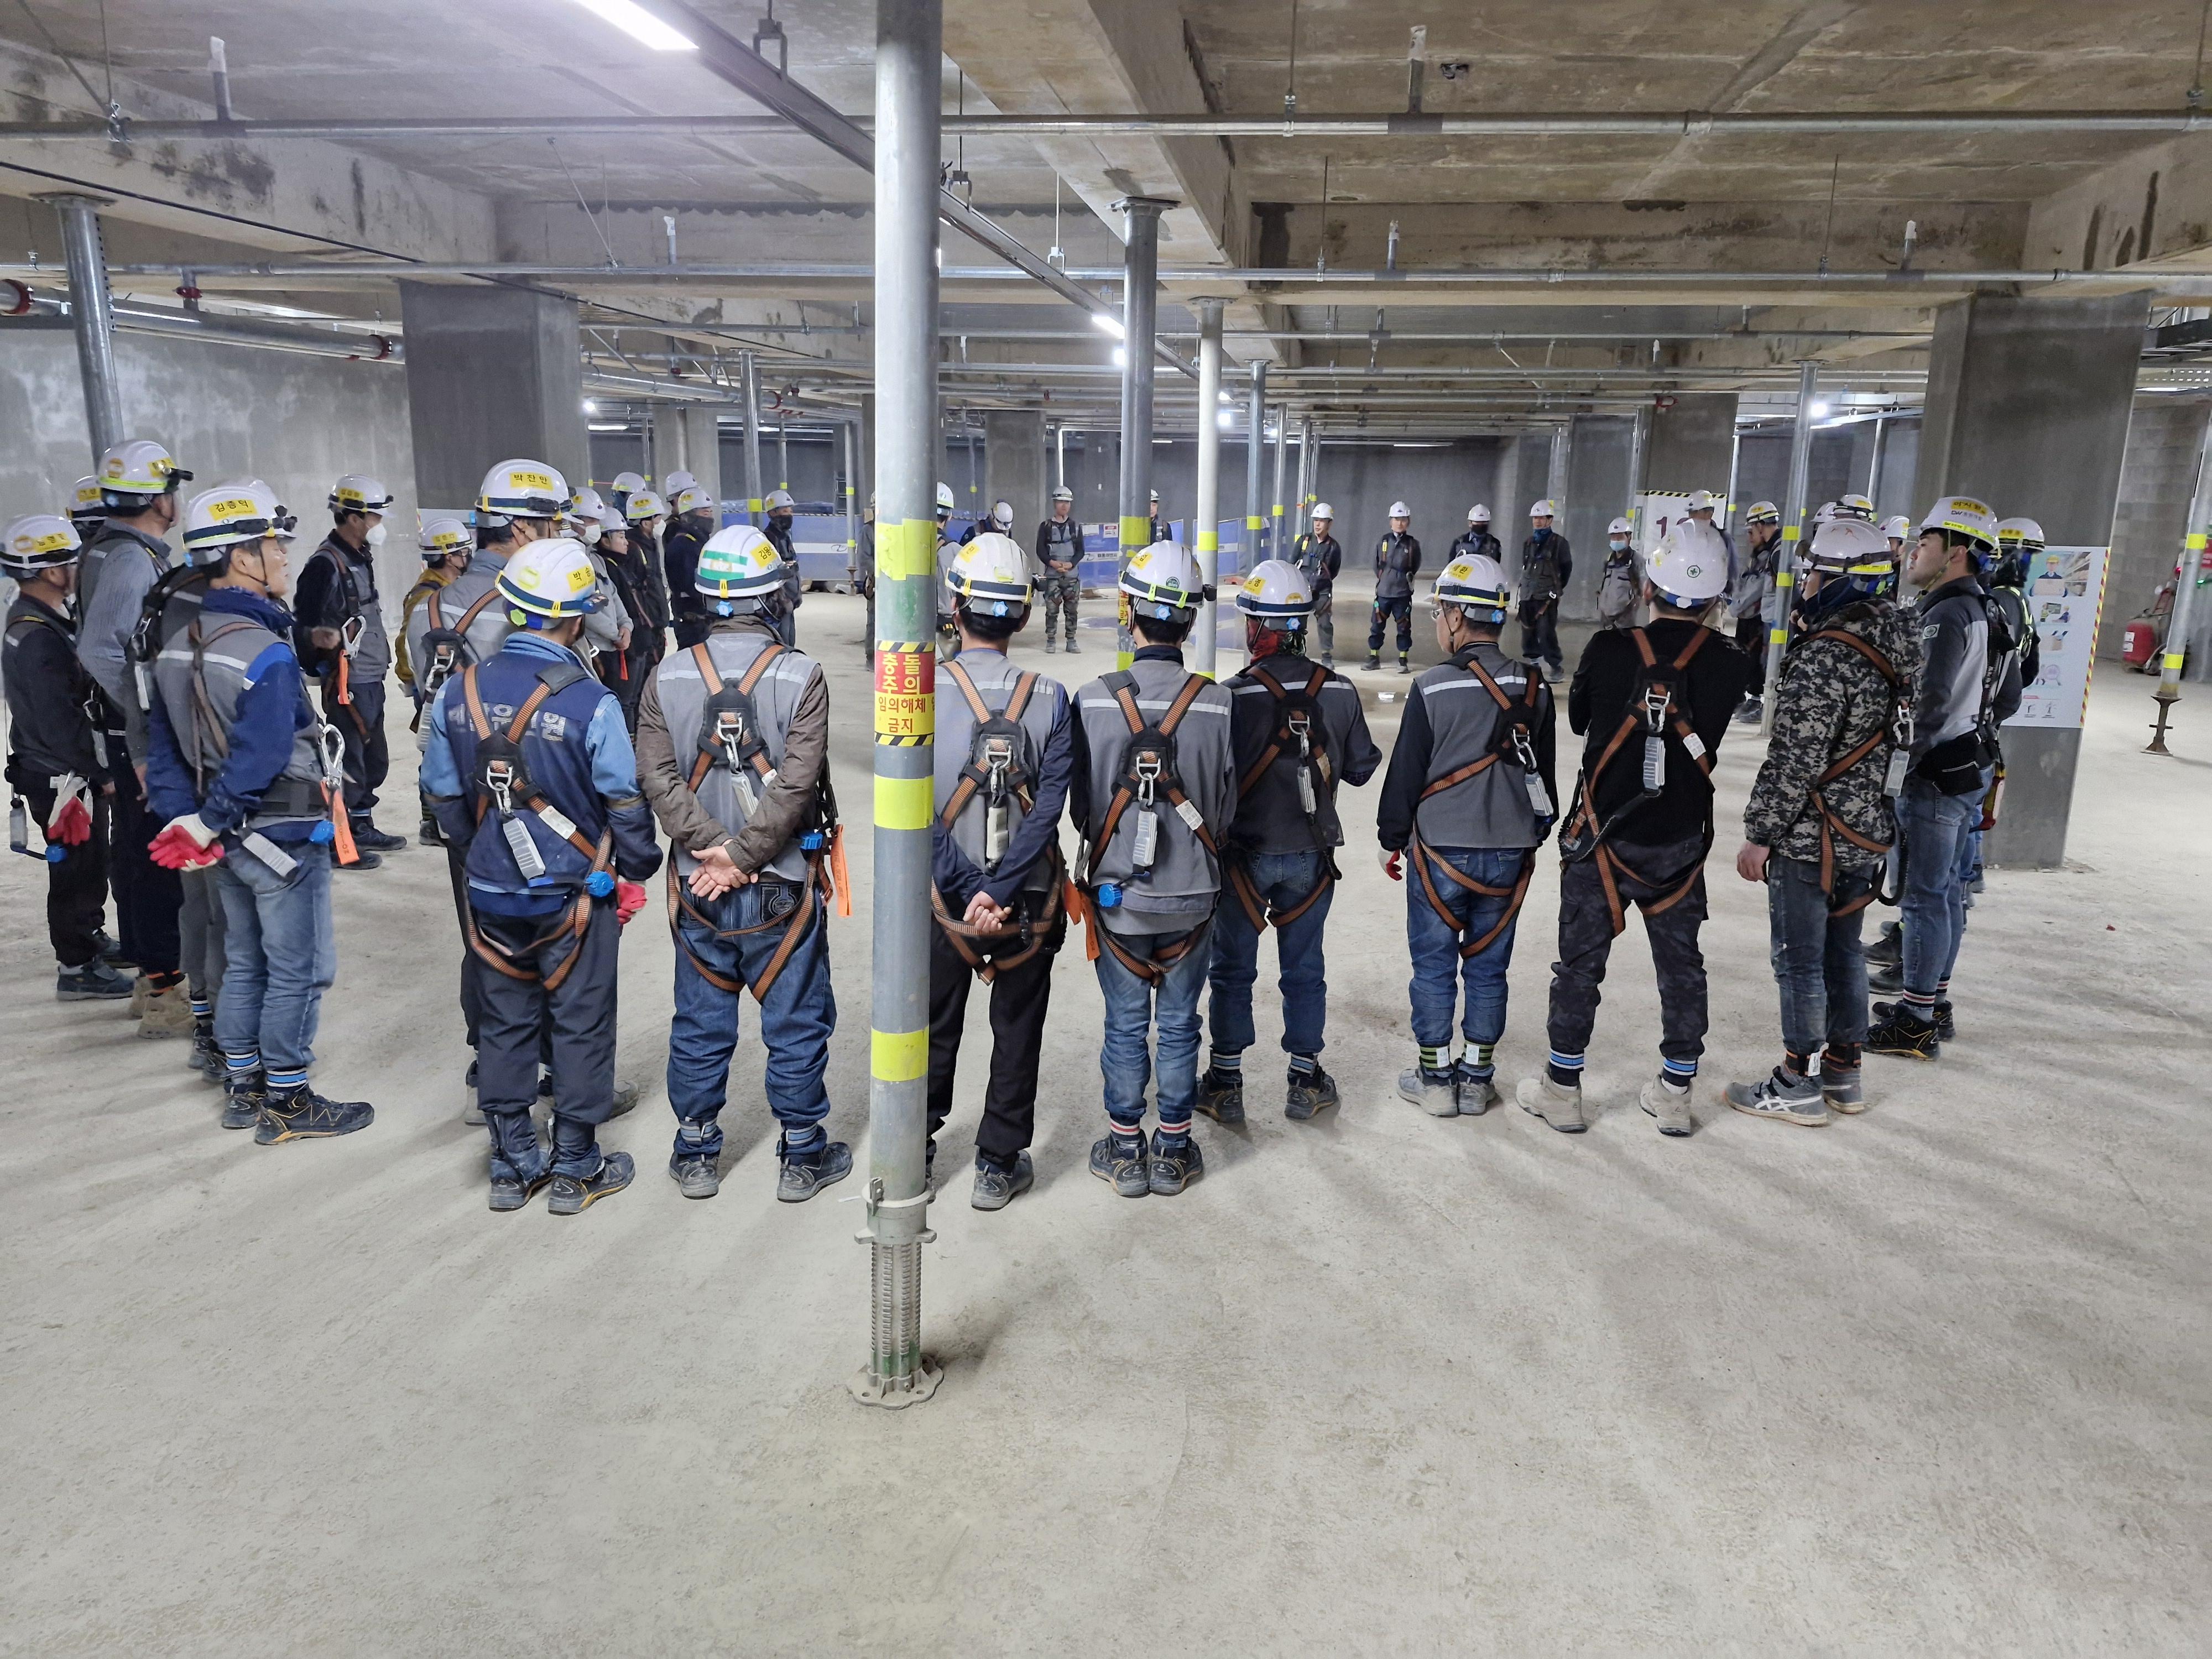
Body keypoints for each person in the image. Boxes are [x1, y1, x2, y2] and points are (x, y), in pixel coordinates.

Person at [421, 536, 661, 1213]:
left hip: (490, 890)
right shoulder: (592, 702)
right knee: (581, 1018)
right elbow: (623, 799)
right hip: (574, 895)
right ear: (575, 617)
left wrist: (480, 847)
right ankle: (576, 1164)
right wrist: (638, 864)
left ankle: (511, 1162)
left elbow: (441, 792)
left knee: (503, 1018)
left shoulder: (458, 690)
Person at [145, 481, 375, 1142]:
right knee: (300, 967)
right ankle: (288, 1101)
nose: (282, 556)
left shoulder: (178, 642)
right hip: (279, 831)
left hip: (223, 841)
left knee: (244, 960)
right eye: (273, 545)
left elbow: (164, 747)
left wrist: (189, 821)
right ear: (242, 558)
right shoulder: (264, 652)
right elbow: (264, 753)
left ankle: (243, 1087)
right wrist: (213, 818)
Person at [635, 524, 849, 1204]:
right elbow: (797, 783)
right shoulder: (802, 675)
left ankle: (697, 1151)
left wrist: (712, 852)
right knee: (795, 1016)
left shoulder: (667, 675)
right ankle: (801, 1156)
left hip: (696, 886)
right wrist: (742, 855)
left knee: (701, 1018)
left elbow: (657, 776)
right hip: (780, 883)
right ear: (773, 597)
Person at [1519, 523, 1748, 1135]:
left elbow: (1579, 721)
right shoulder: (1732, 663)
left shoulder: (1608, 648)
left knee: (1578, 967)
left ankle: (1562, 1089)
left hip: (1601, 839)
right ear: (1715, 599)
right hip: (1678, 846)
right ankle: (1674, 1093)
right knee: (1682, 967)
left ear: (1648, 588)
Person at [1726, 517, 1919, 1126]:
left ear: (1838, 580)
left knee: (1799, 960)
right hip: (1866, 831)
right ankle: (1844, 1072)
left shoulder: (1825, 657)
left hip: (1812, 838)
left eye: (1813, 572)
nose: (1806, 582)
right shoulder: (1903, 640)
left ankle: (1796, 1082)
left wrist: (1760, 834)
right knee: (1844, 953)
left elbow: (1796, 758)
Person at [1070, 542, 1235, 1198]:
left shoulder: (1091, 700)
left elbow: (1082, 809)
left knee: (1124, 1023)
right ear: (1190, 622)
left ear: (1128, 613)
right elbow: (1225, 805)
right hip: (1193, 896)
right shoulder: (1219, 704)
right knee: (1179, 1022)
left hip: (1119, 899)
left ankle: (1124, 1149)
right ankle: (1172, 1149)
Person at [1198, 559, 1380, 1125]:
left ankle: (1225, 1082)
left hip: (1243, 858)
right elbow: (1360, 771)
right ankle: (1305, 1079)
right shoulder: (1341, 691)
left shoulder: (1231, 698)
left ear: (1257, 627)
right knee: (1304, 967)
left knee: (1232, 969)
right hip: (1310, 857)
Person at [926, 533, 1076, 1208]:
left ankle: (915, 1148)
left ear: (954, 606)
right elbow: (1050, 811)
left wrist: (966, 890)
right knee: (1018, 1026)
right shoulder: (1051, 697)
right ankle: (997, 1162)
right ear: (1022, 614)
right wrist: (999, 889)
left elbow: (910, 808)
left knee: (931, 1022)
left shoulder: (917, 692)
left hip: (940, 899)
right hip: (1028, 901)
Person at [1376, 554, 1556, 1115]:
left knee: (1433, 965)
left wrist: (1391, 837)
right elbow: (1544, 778)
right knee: (1488, 966)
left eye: (1440, 613)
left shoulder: (1431, 688)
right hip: (1508, 853)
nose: (1439, 622)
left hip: (1439, 852)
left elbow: (1406, 772)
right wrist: (1530, 834)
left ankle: (1435, 1082)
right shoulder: (1534, 686)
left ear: (1456, 617)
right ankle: (1477, 1080)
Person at [1865, 497, 2021, 1060]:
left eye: (1926, 542)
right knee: (1948, 893)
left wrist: (1895, 770)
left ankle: (1915, 1023)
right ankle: (1933, 1002)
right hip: (1969, 766)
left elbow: (1925, 707)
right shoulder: (1990, 608)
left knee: (1925, 900)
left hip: (1934, 777)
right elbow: (2010, 696)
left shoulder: (1946, 614)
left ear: (1956, 552)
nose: (1914, 552)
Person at [75, 439, 196, 1037]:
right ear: (156, 500)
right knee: (157, 858)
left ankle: (153, 980)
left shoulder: (107, 548)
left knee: (136, 851)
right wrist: (148, 719)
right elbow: (100, 649)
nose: (177, 500)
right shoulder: (129, 559)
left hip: (120, 731)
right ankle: (166, 989)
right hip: (133, 735)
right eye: (171, 489)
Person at [4, 514, 127, 1001]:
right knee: (77, 868)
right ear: (52, 571)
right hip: (62, 779)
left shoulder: (34, 620)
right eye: (72, 562)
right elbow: (61, 722)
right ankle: (76, 967)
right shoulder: (38, 636)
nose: (78, 570)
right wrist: (101, 772)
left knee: (87, 862)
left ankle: (88, 939)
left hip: (49, 769)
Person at [292, 474, 405, 860]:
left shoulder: (358, 557)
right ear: (353, 517)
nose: (379, 524)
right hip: (347, 681)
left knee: (373, 760)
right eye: (375, 517)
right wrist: (320, 659)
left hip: (368, 676)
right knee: (348, 761)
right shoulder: (325, 565)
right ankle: (342, 841)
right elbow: (304, 624)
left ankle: (361, 825)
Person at [398, 518, 472, 845]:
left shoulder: (445, 589)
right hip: (433, 687)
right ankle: (430, 823)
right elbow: (406, 642)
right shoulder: (427, 595)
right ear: (449, 556)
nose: (467, 556)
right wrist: (414, 682)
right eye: (462, 551)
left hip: (441, 683)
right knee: (435, 755)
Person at [1731, 501, 1783, 722]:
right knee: (1758, 660)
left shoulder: (1778, 552)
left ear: (1761, 526)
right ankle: (1756, 700)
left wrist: (1736, 606)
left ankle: (1767, 705)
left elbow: (1764, 589)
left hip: (1775, 619)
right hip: (1767, 617)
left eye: (1751, 531)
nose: (1749, 537)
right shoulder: (1765, 552)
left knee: (1770, 662)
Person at [1517, 498, 1572, 682]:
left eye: (1541, 518)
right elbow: (1526, 566)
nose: (1538, 522)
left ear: (1550, 520)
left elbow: (1566, 569)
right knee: (1528, 633)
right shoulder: (1528, 543)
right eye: (1535, 518)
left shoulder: (1560, 543)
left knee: (1546, 633)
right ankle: (1533, 664)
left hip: (1547, 597)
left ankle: (1556, 667)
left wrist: (1556, 590)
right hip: (1528, 595)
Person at [1366, 500, 1422, 674]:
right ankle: (1374, 658)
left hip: (1402, 594)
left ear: (1408, 522)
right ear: (1391, 521)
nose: (1400, 523)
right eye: (1396, 519)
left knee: (1404, 628)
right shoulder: (1383, 541)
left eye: (1403, 519)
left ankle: (1403, 660)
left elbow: (1415, 565)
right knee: (1377, 626)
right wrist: (1385, 579)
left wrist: (1402, 579)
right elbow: (1376, 564)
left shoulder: (1412, 544)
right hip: (1383, 593)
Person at [662, 486, 716, 650]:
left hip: (702, 621)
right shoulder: (683, 545)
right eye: (705, 513)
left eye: (710, 512)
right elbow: (693, 585)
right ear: (690, 516)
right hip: (692, 623)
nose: (710, 517)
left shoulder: (698, 542)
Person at [1034, 484, 1085, 655]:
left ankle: (1071, 640)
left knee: (1072, 610)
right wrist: (1052, 563)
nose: (1064, 505)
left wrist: (1071, 564)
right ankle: (1051, 640)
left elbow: (1081, 551)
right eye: (1061, 502)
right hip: (1053, 577)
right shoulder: (1046, 526)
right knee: (1052, 610)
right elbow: (1040, 550)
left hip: (1072, 577)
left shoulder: (1076, 527)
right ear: (1055, 503)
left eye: (1067, 502)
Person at [1291, 502, 1343, 666]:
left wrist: (1321, 582)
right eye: (1316, 521)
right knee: (1295, 622)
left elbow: (1334, 570)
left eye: (1322, 521)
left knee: (1325, 623)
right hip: (1302, 589)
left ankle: (1326, 656)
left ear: (1330, 524)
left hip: (1322, 592)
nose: (1318, 525)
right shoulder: (1304, 541)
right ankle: (1295, 653)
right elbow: (1292, 563)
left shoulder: (1334, 547)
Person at [761, 487, 803, 644]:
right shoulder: (769, 539)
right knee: (782, 642)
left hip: (790, 601)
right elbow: (771, 572)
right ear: (773, 513)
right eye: (785, 511)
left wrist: (796, 596)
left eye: (790, 511)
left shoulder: (785, 536)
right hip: (780, 604)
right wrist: (782, 600)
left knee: (790, 640)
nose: (790, 514)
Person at [933, 482, 962, 661]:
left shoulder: (907, 544)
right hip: (945, 629)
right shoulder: (956, 551)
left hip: (911, 627)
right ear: (949, 516)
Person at [1596, 517, 1639, 629]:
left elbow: (1642, 593)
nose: (1615, 540)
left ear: (1629, 537)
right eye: (1613, 537)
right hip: (1605, 620)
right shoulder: (1608, 560)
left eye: (1619, 537)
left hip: (1625, 622)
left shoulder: (1637, 561)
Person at [857, 492, 878, 666]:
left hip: (896, 584)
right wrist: (879, 575)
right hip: (877, 584)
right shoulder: (869, 531)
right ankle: (871, 657)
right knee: (874, 621)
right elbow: (864, 558)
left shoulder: (896, 530)